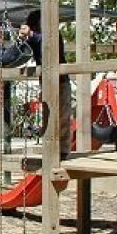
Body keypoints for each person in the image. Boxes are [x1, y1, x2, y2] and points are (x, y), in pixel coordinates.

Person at [20, 9, 72, 159]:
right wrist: (23, 38)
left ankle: (62, 150)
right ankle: (50, 147)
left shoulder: (53, 35)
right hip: (46, 81)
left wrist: (30, 35)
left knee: (62, 115)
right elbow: (26, 49)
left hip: (60, 80)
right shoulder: (36, 37)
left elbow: (47, 44)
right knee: (48, 115)